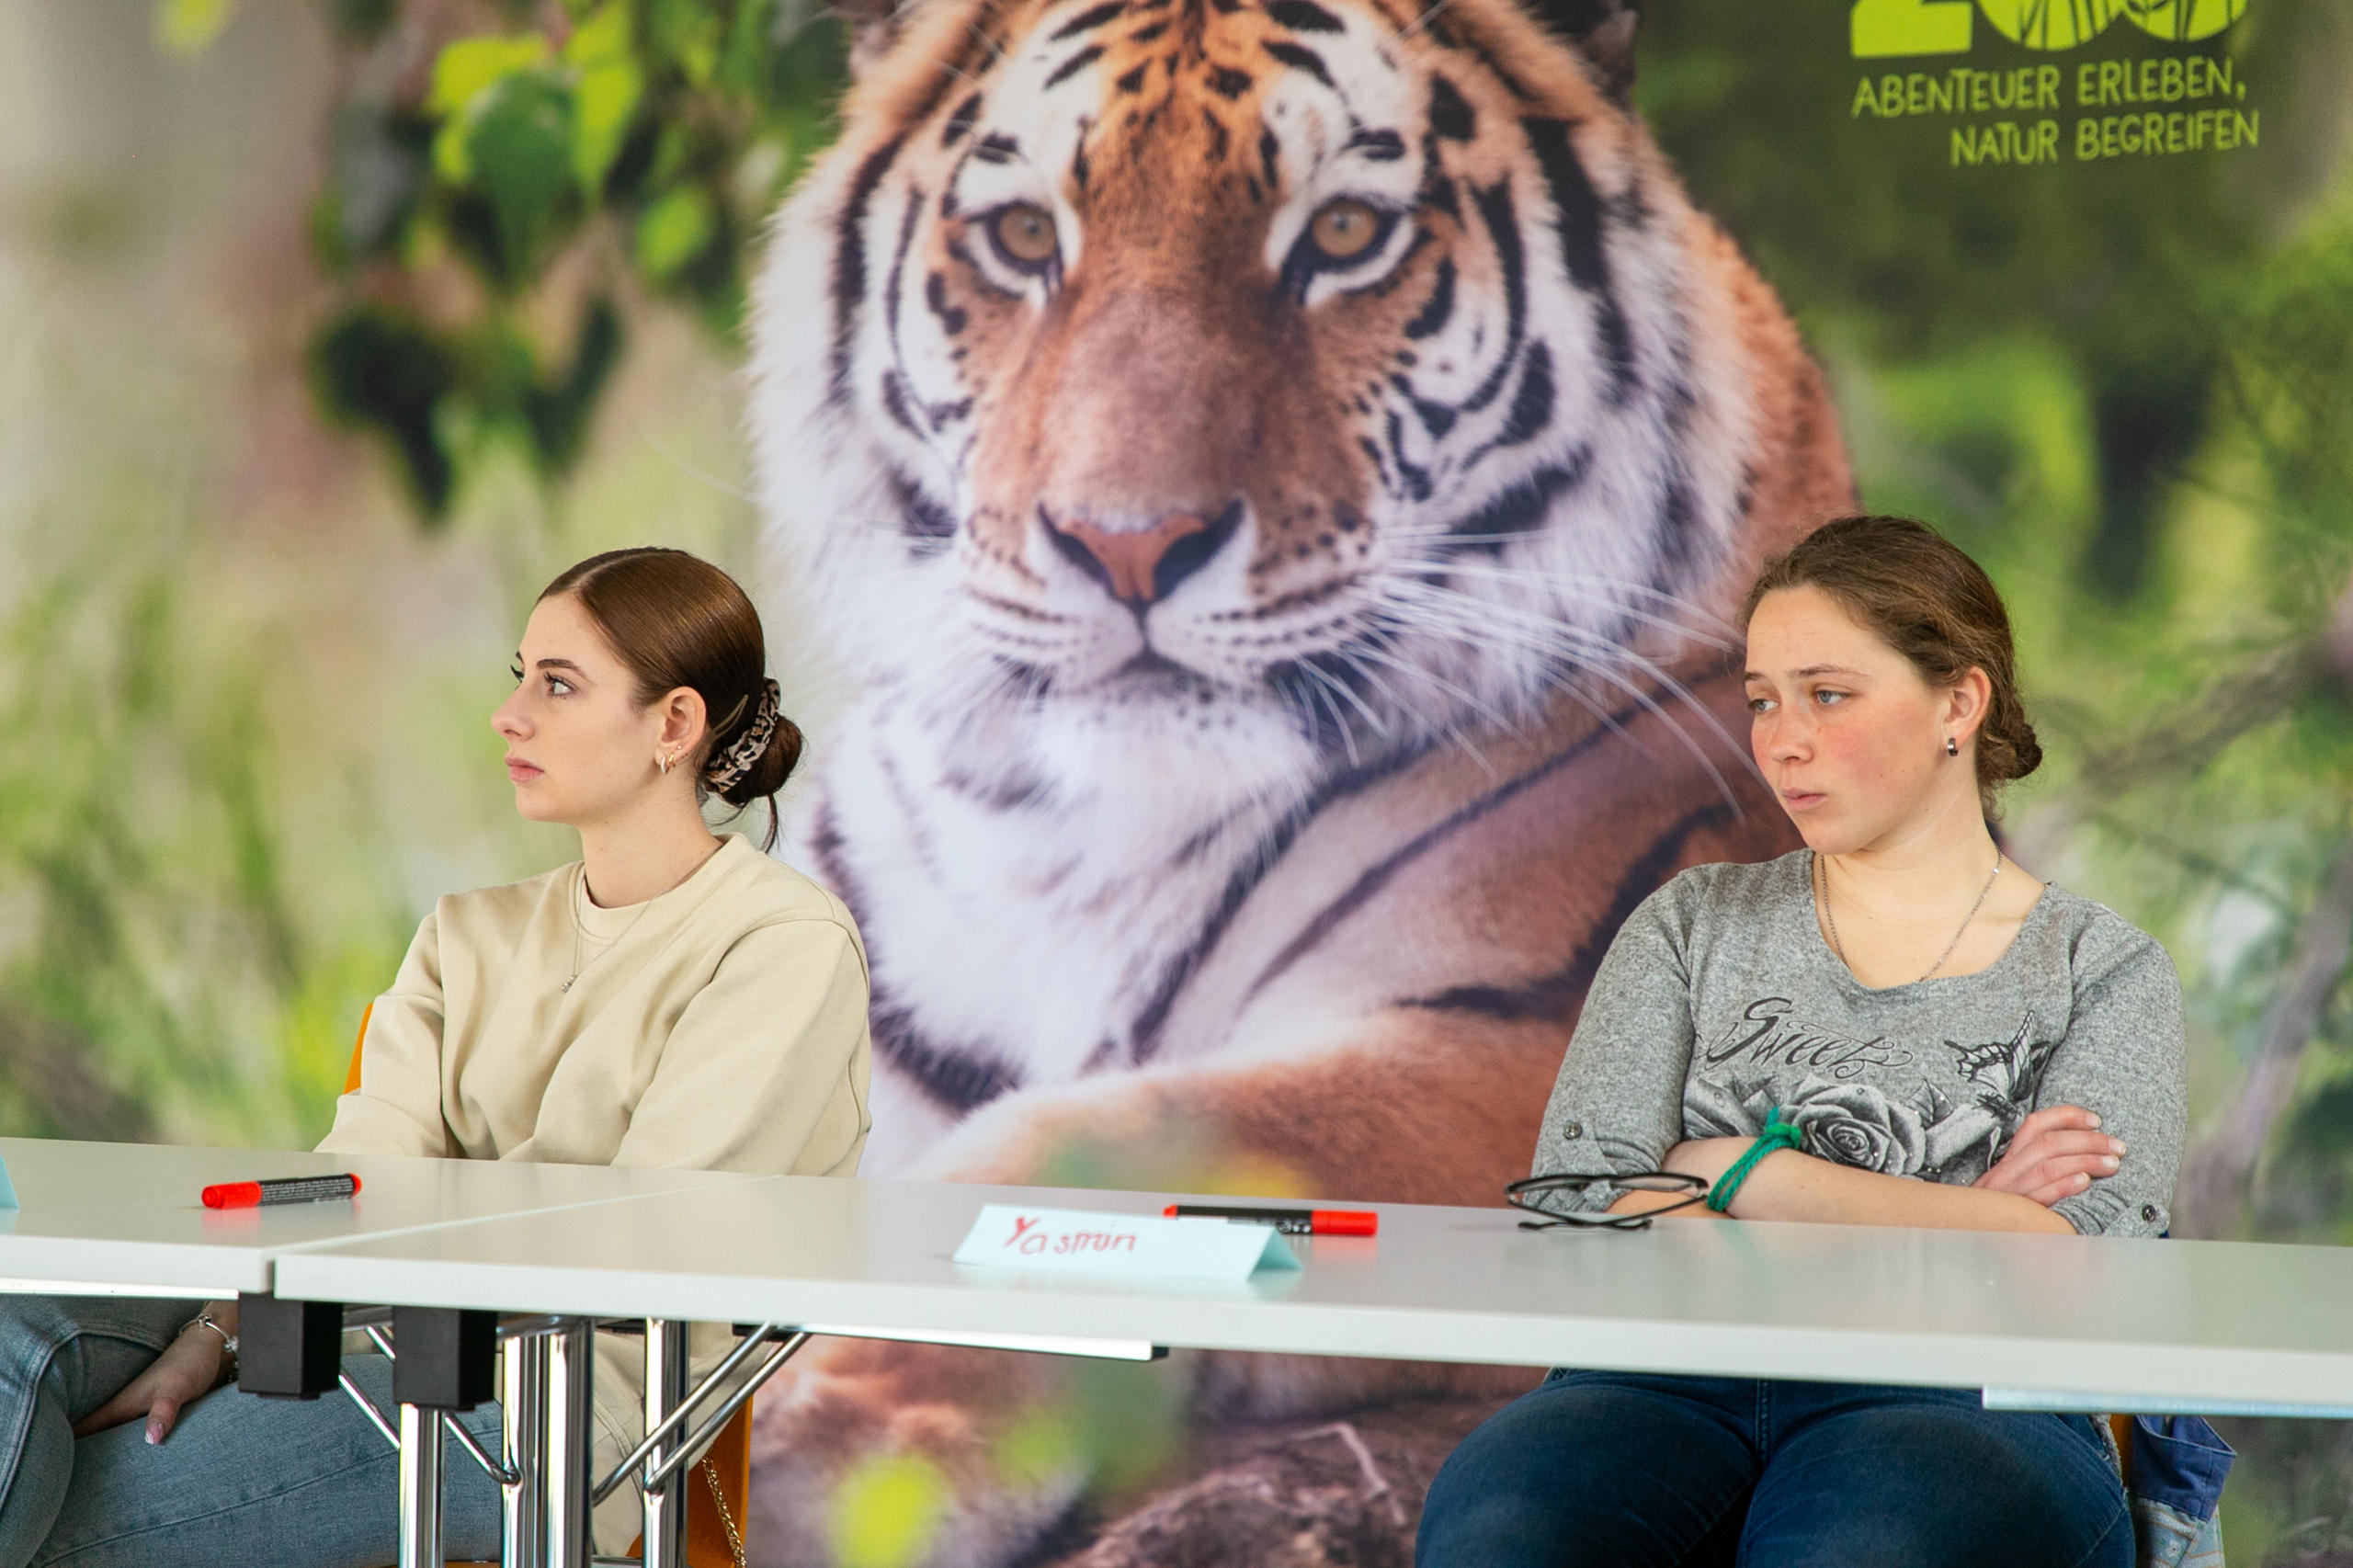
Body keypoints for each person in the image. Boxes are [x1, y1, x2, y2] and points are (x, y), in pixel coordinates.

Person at [0, 547, 872, 1567]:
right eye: (519, 674)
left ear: (673, 725)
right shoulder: (466, 933)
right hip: (364, 1329)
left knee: (75, 1513)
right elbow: (352, 1184)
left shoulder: (782, 945)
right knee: (17, 1321)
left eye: (557, 683)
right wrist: (224, 1327)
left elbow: (645, 1239)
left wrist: (370, 1255)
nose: (510, 713)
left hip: (551, 1417)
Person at [1417, 515, 2194, 1567]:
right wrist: (1976, 1214)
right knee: (1505, 1531)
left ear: (1956, 703)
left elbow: (2078, 1261)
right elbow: (1577, 1201)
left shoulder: (2101, 968)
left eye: (1828, 694)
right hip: (1652, 1379)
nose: (1782, 738)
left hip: (1967, 1401)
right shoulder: (1689, 923)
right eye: (1762, 700)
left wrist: (1730, 1170)